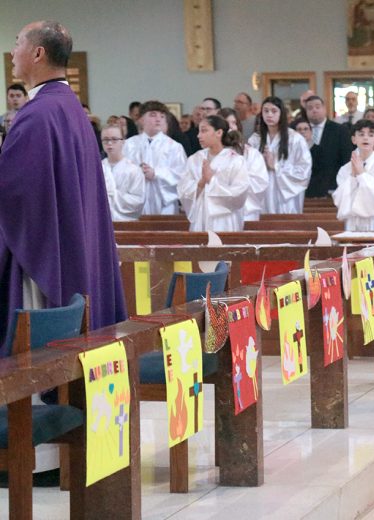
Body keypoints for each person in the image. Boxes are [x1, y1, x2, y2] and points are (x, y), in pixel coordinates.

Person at [0, 20, 127, 483]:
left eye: (18, 44)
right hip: (69, 245)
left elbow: (17, 193)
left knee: (35, 351)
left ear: (37, 54)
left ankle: (37, 460)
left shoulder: (37, 115)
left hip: (41, 257)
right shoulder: (69, 108)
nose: (12, 52)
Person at [178, 115, 249, 231]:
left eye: (204, 131)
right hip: (201, 216)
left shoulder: (235, 160)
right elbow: (183, 189)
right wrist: (201, 183)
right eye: (199, 131)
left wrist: (211, 180)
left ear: (219, 132)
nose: (199, 135)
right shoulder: (195, 159)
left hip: (225, 220)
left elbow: (239, 193)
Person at [248, 96, 312, 213]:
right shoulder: (255, 140)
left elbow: (304, 172)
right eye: (266, 111)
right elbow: (247, 170)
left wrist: (275, 166)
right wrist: (259, 164)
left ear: (281, 113)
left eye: (274, 111)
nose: (269, 115)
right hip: (262, 196)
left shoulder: (295, 139)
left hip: (286, 198)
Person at [122, 100, 187, 214]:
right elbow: (120, 171)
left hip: (164, 203)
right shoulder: (129, 144)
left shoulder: (174, 146)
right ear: (141, 119)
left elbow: (182, 174)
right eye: (153, 115)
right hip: (135, 203)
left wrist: (156, 173)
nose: (158, 119)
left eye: (162, 116)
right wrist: (137, 172)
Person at [333, 119, 374, 231]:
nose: (365, 138)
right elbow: (340, 200)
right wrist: (353, 177)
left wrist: (362, 174)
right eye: (361, 134)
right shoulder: (345, 169)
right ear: (354, 139)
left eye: (370, 135)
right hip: (353, 223)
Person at [219, 107, 268, 222]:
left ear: (238, 127)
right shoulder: (208, 153)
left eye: (233, 123)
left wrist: (234, 183)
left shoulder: (251, 153)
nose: (230, 127)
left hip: (246, 212)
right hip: (219, 212)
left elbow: (259, 182)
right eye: (226, 123)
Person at [305, 95, 352, 197]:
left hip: (332, 187)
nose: (314, 110)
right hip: (306, 188)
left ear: (324, 109)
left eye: (317, 107)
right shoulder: (300, 130)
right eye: (310, 108)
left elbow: (346, 160)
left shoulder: (340, 131)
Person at [100, 124, 145, 221]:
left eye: (114, 139)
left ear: (123, 141)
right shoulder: (98, 168)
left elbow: (138, 200)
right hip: (102, 220)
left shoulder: (133, 170)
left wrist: (112, 194)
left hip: (126, 222)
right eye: (105, 140)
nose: (109, 143)